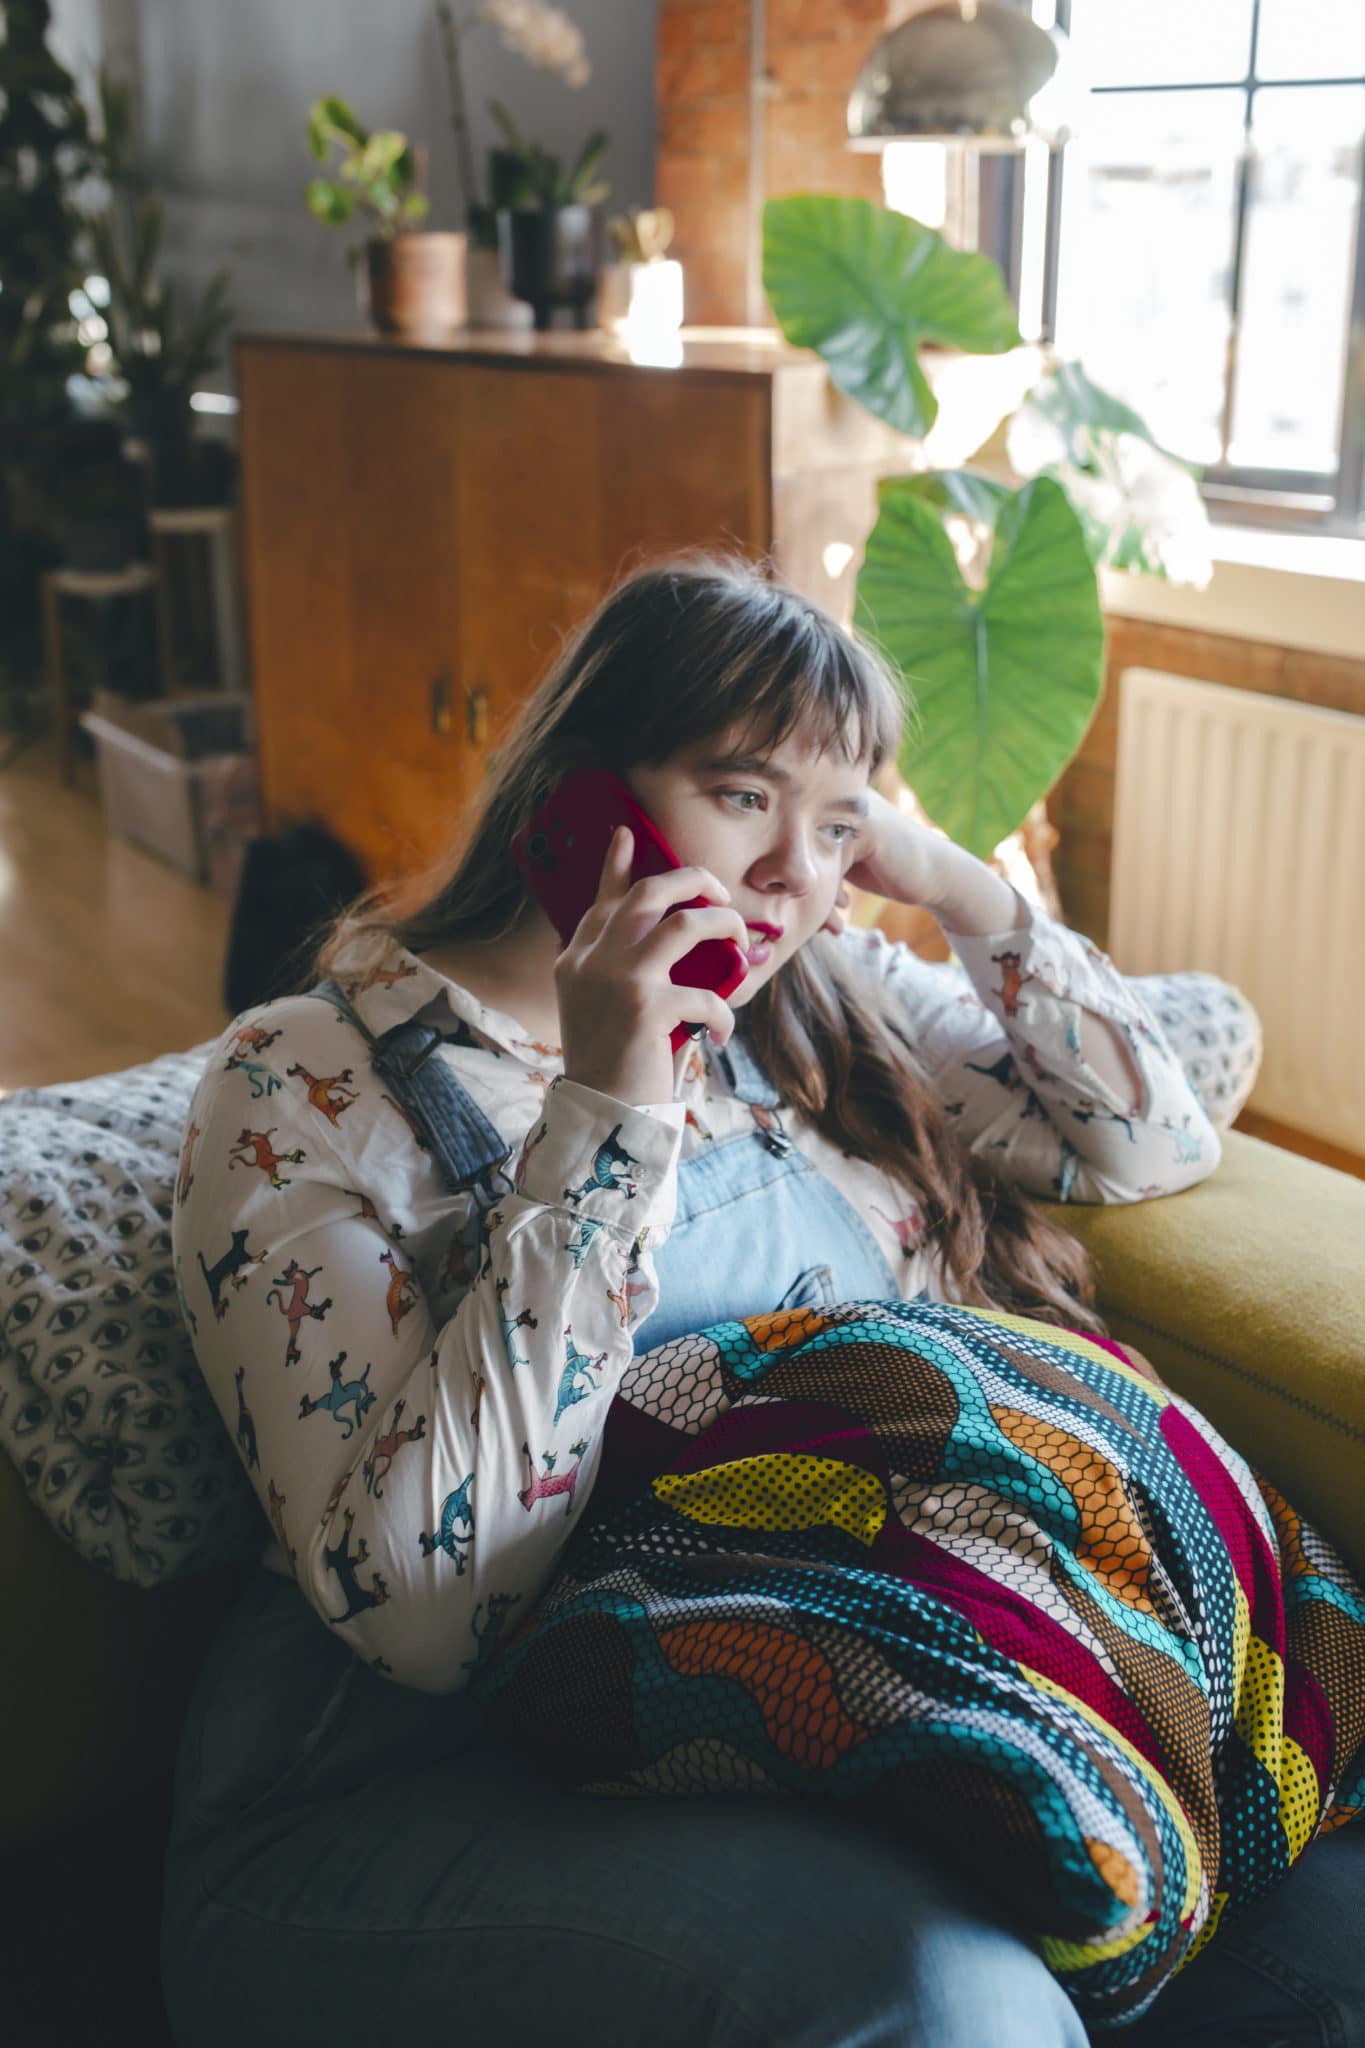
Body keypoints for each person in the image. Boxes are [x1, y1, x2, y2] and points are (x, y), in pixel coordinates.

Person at [163, 554, 1358, 2046]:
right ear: (582, 790)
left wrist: (940, 872)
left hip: (811, 1697)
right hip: (403, 1788)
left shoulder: (815, 999)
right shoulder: (311, 1081)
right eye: (741, 795)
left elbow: (1148, 1139)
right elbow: (428, 1623)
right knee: (949, 2010)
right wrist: (608, 1110)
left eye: (837, 823)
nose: (796, 874)